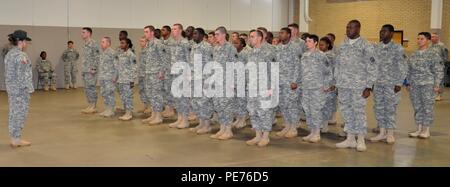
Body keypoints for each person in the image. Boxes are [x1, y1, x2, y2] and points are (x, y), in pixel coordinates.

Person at [334, 20, 377, 152]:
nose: (348, 30)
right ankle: (350, 139)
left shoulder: (366, 45)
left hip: (359, 85)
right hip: (343, 85)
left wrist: (369, 86)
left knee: (358, 112)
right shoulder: (342, 45)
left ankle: (361, 139)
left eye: (351, 28)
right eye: (347, 27)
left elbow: (372, 66)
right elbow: (337, 65)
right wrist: (337, 83)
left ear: (358, 29)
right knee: (346, 111)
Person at [369, 24, 407, 144]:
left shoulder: (397, 48)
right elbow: (372, 66)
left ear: (391, 34)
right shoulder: (377, 47)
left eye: (384, 31)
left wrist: (398, 83)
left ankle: (390, 134)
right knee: (379, 108)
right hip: (378, 83)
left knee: (390, 109)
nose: (382, 33)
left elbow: (403, 66)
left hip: (391, 84)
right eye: (381, 31)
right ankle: (381, 132)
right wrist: (371, 82)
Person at [406, 32, 444, 139]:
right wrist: (408, 82)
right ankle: (418, 129)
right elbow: (408, 70)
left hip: (428, 84)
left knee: (427, 107)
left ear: (428, 40)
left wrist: (437, 84)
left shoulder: (433, 54)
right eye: (418, 38)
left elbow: (439, 70)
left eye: (422, 39)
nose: (419, 40)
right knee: (417, 107)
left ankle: (426, 130)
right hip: (415, 85)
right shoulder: (414, 54)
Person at [300, 34, 334, 143]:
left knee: (316, 110)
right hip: (306, 88)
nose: (307, 43)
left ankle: (317, 133)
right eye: (306, 41)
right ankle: (312, 132)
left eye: (309, 41)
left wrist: (326, 86)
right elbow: (301, 72)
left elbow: (328, 72)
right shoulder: (304, 55)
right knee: (308, 110)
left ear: (315, 43)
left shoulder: (321, 56)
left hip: (317, 88)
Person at [245, 29, 276, 147]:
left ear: (260, 38)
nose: (250, 39)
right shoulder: (251, 52)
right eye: (249, 36)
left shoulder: (269, 51)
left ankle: (265, 137)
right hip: (252, 87)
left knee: (265, 112)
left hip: (264, 87)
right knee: (253, 112)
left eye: (252, 36)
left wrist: (271, 88)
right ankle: (257, 135)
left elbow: (274, 70)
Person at [4, 30, 33, 147]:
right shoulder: (21, 55)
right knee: (20, 113)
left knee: (13, 113)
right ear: (21, 41)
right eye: (25, 40)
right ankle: (16, 139)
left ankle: (14, 138)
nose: (26, 43)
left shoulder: (9, 53)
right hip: (20, 90)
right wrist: (28, 89)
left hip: (12, 89)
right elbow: (22, 75)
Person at [274, 27, 304, 139]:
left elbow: (298, 65)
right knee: (283, 105)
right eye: (279, 33)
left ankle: (294, 127)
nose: (280, 34)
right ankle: (287, 125)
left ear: (288, 35)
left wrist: (295, 81)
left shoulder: (295, 47)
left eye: (282, 33)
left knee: (292, 105)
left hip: (291, 83)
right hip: (280, 82)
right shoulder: (278, 48)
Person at [209, 26, 238, 140]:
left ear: (223, 35)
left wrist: (234, 83)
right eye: (215, 34)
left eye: (217, 34)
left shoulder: (230, 48)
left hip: (227, 82)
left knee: (227, 107)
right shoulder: (215, 48)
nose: (215, 36)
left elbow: (236, 67)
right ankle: (222, 128)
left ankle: (228, 130)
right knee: (219, 106)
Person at [189, 28, 214, 134]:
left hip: (204, 79)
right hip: (195, 79)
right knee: (196, 102)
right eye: (193, 34)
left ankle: (207, 125)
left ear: (202, 35)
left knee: (204, 103)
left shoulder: (207, 47)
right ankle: (201, 123)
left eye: (196, 34)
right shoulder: (194, 46)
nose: (193, 35)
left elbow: (210, 65)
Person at [168, 23, 192, 129]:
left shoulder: (185, 43)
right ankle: (179, 118)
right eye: (172, 29)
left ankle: (185, 120)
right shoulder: (173, 43)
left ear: (180, 30)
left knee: (183, 98)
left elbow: (189, 59)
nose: (173, 31)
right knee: (177, 98)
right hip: (174, 74)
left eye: (175, 29)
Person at [142, 26, 166, 125]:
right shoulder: (148, 44)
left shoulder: (158, 43)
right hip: (149, 73)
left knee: (157, 95)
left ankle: (159, 116)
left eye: (147, 32)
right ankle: (153, 114)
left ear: (152, 33)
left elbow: (164, 58)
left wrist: (162, 71)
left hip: (156, 73)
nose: (145, 34)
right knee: (151, 94)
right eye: (144, 32)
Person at [115, 38, 137, 121]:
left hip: (128, 80)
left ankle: (129, 113)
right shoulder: (121, 54)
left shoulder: (130, 54)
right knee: (124, 96)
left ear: (127, 44)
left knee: (128, 97)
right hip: (121, 79)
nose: (121, 45)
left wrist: (132, 80)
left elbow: (134, 67)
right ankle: (126, 110)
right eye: (120, 43)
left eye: (123, 43)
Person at [318, 37, 337, 132]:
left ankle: (325, 124)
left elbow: (334, 70)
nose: (320, 47)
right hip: (320, 83)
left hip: (328, 84)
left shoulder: (330, 55)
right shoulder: (320, 55)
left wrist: (333, 83)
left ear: (328, 45)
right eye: (319, 45)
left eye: (322, 45)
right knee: (320, 104)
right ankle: (321, 123)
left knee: (327, 104)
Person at [80, 27, 100, 114]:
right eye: (82, 32)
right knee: (87, 88)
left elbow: (97, 57)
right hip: (85, 70)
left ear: (89, 33)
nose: (82, 34)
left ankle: (93, 106)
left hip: (91, 70)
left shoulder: (93, 44)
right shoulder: (85, 44)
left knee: (91, 87)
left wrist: (94, 68)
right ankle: (90, 104)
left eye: (83, 32)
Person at [231, 37, 249, 129]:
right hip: (235, 81)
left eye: (236, 43)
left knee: (242, 102)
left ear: (242, 44)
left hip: (242, 81)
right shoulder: (234, 54)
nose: (234, 45)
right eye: (233, 43)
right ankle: (238, 118)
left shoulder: (246, 54)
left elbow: (248, 69)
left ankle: (243, 120)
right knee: (236, 101)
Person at [98, 37, 117, 117]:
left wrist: (115, 76)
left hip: (109, 77)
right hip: (103, 77)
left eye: (103, 42)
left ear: (108, 43)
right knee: (105, 93)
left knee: (110, 93)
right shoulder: (103, 53)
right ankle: (107, 109)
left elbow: (116, 65)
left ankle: (111, 110)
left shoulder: (112, 53)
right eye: (101, 42)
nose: (101, 43)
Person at [160, 25, 176, 118]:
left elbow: (173, 56)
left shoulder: (171, 42)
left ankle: (171, 109)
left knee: (170, 90)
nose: (162, 31)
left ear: (168, 32)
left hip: (170, 69)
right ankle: (167, 108)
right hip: (163, 69)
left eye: (164, 30)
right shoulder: (161, 42)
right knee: (165, 90)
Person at [430, 33, 448, 101]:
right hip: (431, 66)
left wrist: (442, 64)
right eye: (431, 37)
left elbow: (445, 57)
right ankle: (434, 94)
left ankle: (439, 95)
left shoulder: (442, 45)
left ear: (437, 38)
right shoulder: (430, 45)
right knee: (432, 80)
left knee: (439, 81)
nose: (432, 38)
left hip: (439, 66)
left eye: (433, 37)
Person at [137, 36, 151, 115]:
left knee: (148, 90)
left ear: (147, 42)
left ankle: (150, 106)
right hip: (141, 74)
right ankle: (144, 104)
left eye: (142, 41)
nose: (140, 43)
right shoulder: (141, 51)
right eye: (140, 41)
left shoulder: (148, 51)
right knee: (142, 90)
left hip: (147, 74)